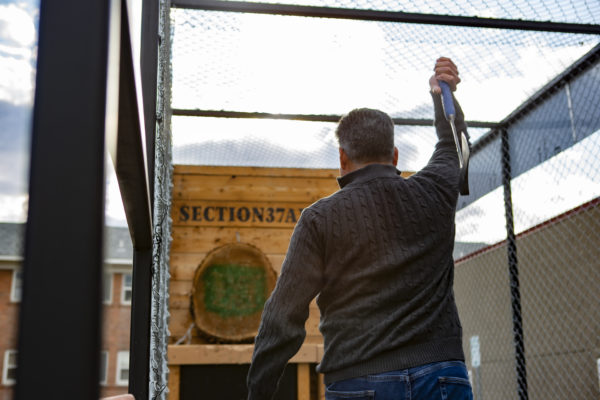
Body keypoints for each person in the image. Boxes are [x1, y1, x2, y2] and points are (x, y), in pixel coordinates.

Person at [247, 57, 473, 400]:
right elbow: (453, 145)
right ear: (395, 155)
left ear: (342, 158)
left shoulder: (319, 220)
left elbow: (282, 317)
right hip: (442, 375)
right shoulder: (435, 191)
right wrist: (443, 96)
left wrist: (259, 394)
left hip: (359, 382)